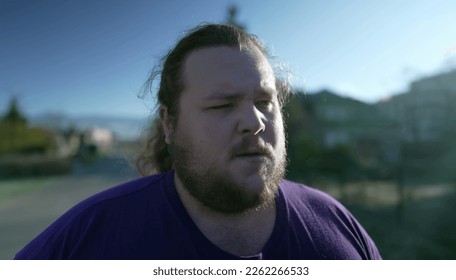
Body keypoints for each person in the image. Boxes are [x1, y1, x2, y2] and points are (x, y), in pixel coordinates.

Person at [15, 23, 381, 260]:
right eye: (223, 105)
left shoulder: (337, 227)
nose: (254, 122)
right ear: (169, 124)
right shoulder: (87, 240)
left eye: (264, 102)